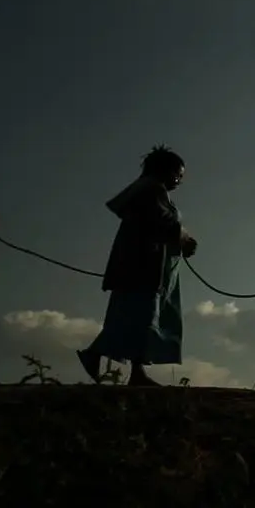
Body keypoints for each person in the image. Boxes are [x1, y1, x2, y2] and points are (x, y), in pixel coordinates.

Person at [77, 145, 197, 387]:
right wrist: (186, 239)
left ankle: (133, 369)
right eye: (177, 175)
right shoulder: (152, 190)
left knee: (134, 318)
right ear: (164, 170)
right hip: (144, 266)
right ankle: (120, 364)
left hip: (140, 265)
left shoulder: (147, 190)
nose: (179, 181)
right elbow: (164, 223)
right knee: (140, 318)